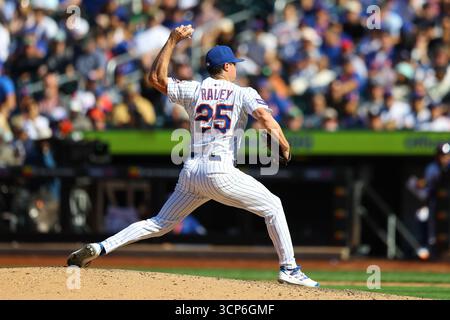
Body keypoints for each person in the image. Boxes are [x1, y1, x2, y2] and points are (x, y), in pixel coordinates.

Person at [67, 24, 319, 287]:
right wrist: (285, 144)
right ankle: (289, 268)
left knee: (159, 223)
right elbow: (267, 119)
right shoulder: (243, 92)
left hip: (191, 171)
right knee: (274, 206)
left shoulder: (194, 90)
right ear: (226, 68)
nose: (236, 67)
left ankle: (100, 247)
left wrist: (172, 39)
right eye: (233, 63)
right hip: (220, 171)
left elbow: (155, 79)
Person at [407, 142, 450, 260]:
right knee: (422, 215)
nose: (444, 158)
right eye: (442, 155)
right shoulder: (432, 168)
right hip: (435, 204)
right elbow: (425, 186)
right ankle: (426, 247)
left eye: (447, 155)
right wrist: (420, 184)